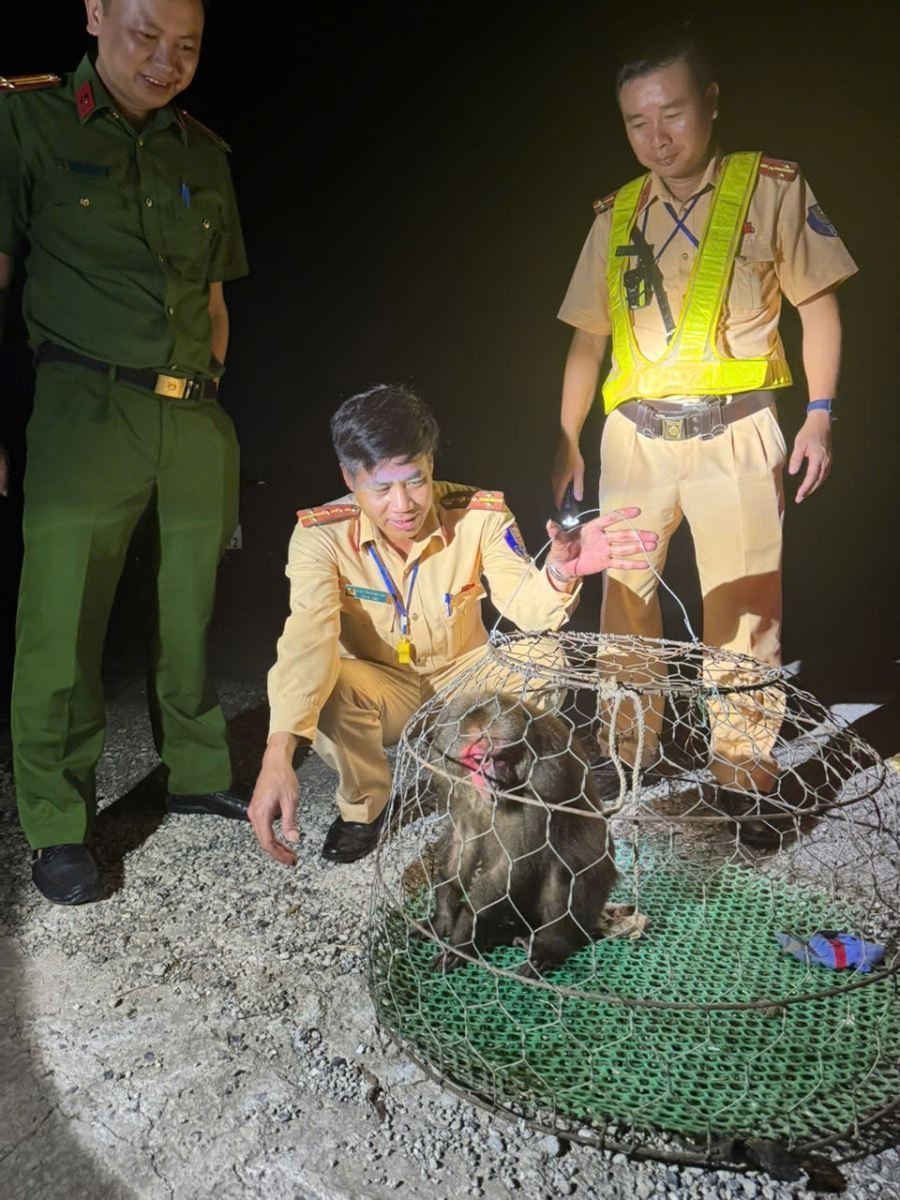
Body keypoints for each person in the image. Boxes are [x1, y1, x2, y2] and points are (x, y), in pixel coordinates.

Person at [550, 25, 857, 830]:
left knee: (744, 613)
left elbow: (818, 306)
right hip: (633, 438)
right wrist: (568, 436)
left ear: (710, 103)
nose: (658, 137)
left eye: (673, 113)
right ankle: (628, 757)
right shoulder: (615, 213)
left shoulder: (773, 188)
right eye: (637, 123)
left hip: (737, 431)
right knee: (623, 601)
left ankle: (743, 771)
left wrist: (820, 414)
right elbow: (587, 337)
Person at [0, 0, 249, 906]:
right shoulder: (22, 120)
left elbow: (217, 302)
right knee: (62, 620)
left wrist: (208, 392)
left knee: (189, 608)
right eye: (146, 35)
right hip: (84, 405)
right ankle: (60, 823)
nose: (165, 61)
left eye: (185, 46)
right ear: (96, 13)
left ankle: (192, 768)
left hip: (192, 414)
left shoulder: (203, 154)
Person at [248, 385, 657, 866]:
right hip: (386, 683)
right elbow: (307, 638)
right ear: (349, 478)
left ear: (431, 465)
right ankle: (365, 810)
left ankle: (497, 775)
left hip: (467, 676)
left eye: (416, 481)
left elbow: (527, 608)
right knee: (331, 686)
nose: (403, 505)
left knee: (543, 657)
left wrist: (561, 572)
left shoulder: (479, 515)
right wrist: (279, 749)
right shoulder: (320, 536)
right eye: (381, 488)